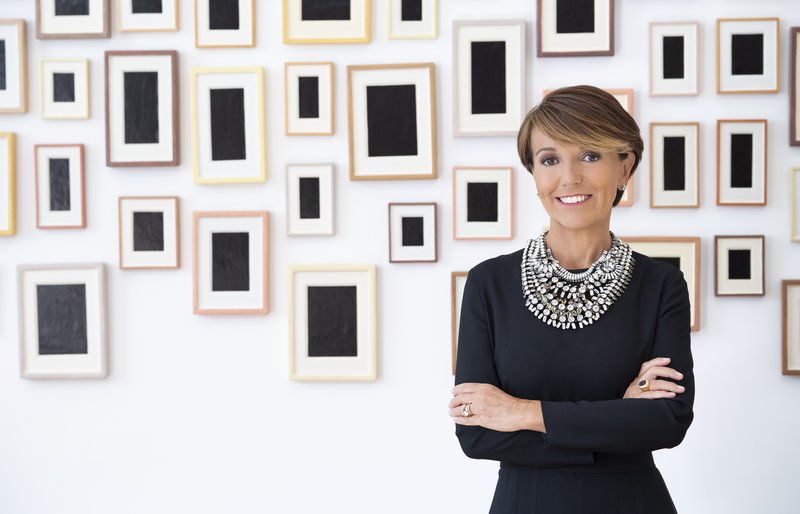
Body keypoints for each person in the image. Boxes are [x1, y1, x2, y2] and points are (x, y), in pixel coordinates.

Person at [448, 85, 694, 513]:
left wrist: (520, 412)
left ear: (625, 168)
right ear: (534, 174)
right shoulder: (489, 284)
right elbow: (476, 433)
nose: (569, 177)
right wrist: (617, 418)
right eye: (550, 160)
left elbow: (666, 422)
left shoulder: (661, 285)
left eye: (590, 155)